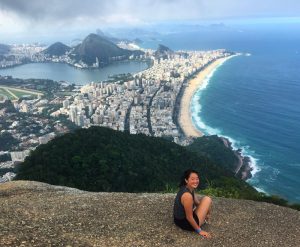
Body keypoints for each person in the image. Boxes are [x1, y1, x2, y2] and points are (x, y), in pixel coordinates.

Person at [173, 169, 212, 238]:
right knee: (207, 199)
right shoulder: (187, 196)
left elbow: (197, 203)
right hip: (185, 223)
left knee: (206, 200)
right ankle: (200, 223)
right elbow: (189, 217)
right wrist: (199, 231)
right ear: (186, 180)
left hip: (178, 219)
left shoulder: (187, 187)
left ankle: (205, 217)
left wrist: (206, 212)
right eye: (192, 179)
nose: (195, 181)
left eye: (197, 179)